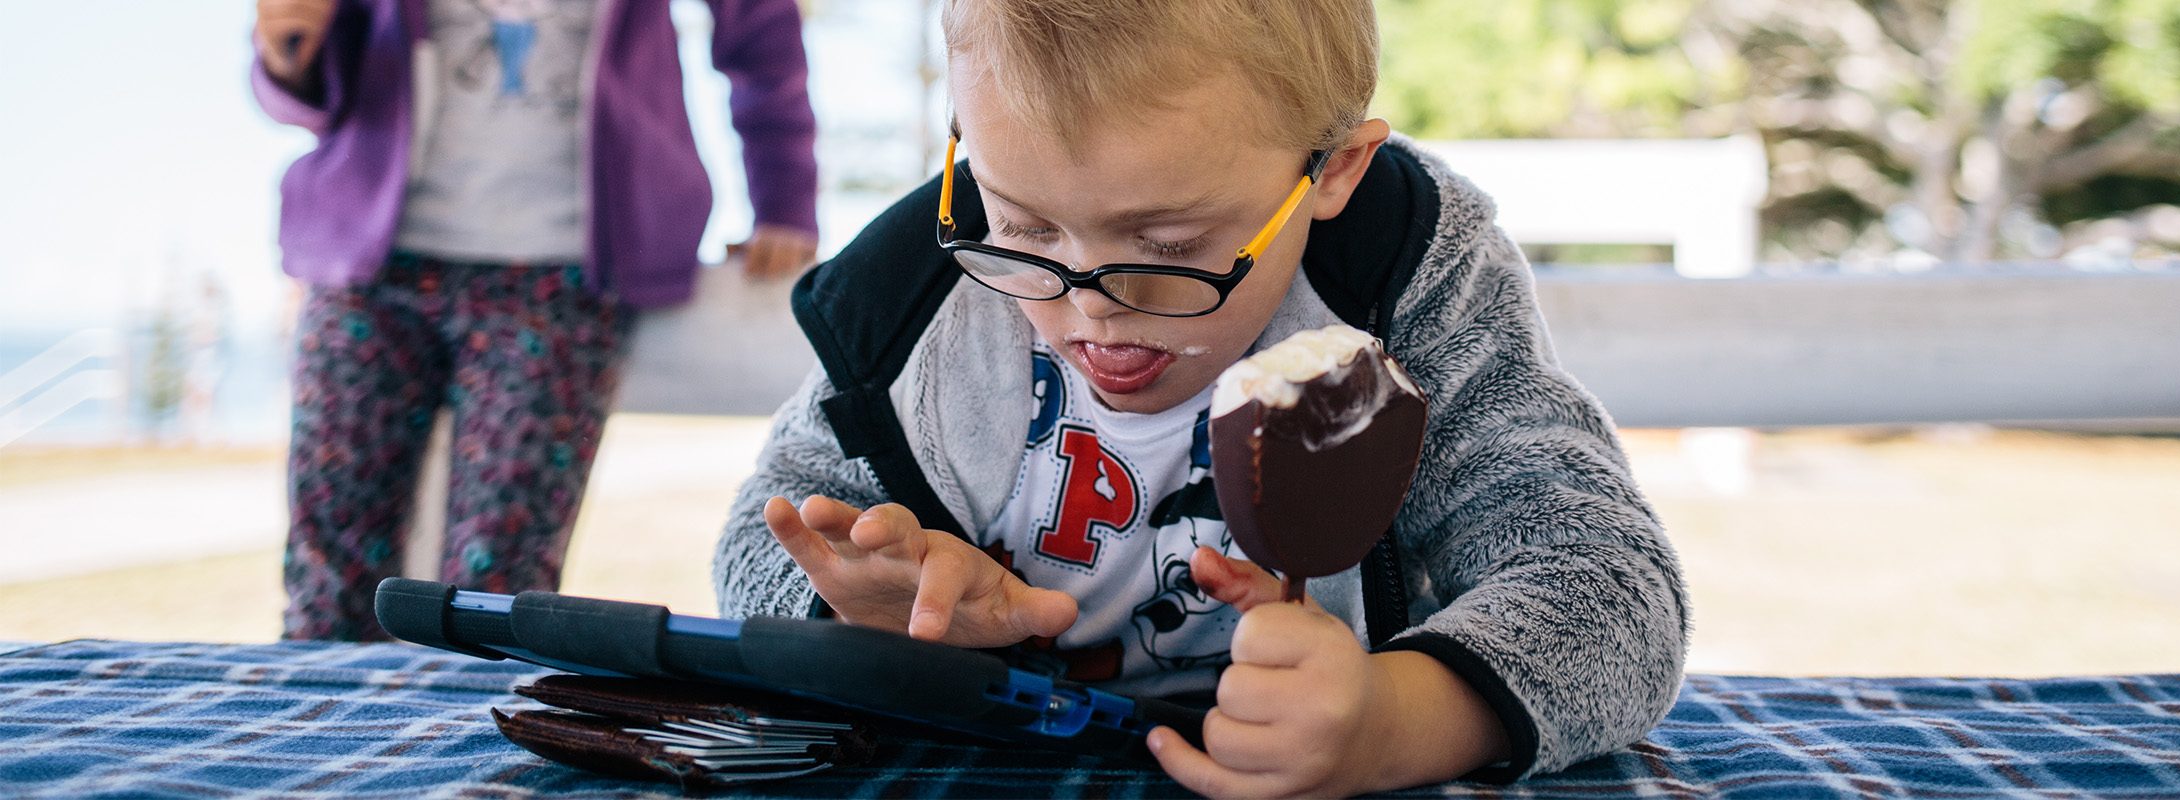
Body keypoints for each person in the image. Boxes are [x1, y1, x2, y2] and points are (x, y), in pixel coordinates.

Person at [712, 0, 1688, 796]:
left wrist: (1392, 721)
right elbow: (761, 541)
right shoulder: (906, 304)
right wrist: (864, 615)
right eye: (1023, 227)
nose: (1090, 306)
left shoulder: (1405, 278)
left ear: (1333, 168)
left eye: (1170, 247)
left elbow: (1613, 591)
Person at [252, 0, 818, 640]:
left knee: (498, 595)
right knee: (327, 588)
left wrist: (785, 200)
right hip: (366, 270)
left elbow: (763, 32)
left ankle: (464, 742)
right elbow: (306, 87)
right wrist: (287, 54)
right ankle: (320, 737)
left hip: (562, 272)